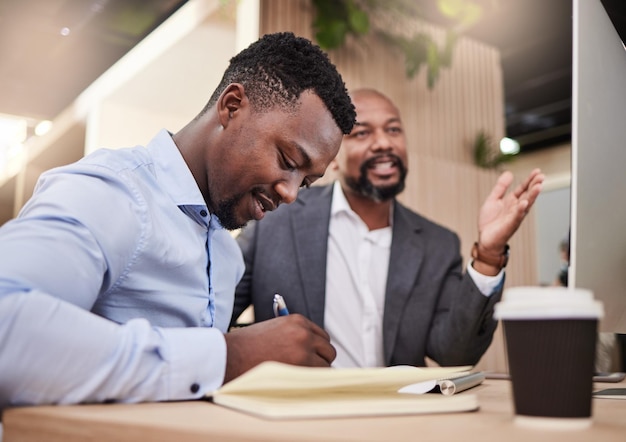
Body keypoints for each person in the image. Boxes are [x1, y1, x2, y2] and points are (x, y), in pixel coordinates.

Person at [0, 32, 356, 411]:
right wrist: (227, 356)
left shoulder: (226, 253)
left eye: (306, 181)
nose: (290, 193)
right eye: (287, 161)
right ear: (232, 106)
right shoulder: (113, 193)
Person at [232, 88, 544, 368]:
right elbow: (213, 313)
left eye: (393, 130)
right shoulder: (276, 218)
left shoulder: (438, 244)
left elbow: (455, 354)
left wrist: (489, 255)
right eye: (362, 133)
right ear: (333, 157)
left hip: (400, 423)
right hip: (300, 422)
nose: (384, 143)